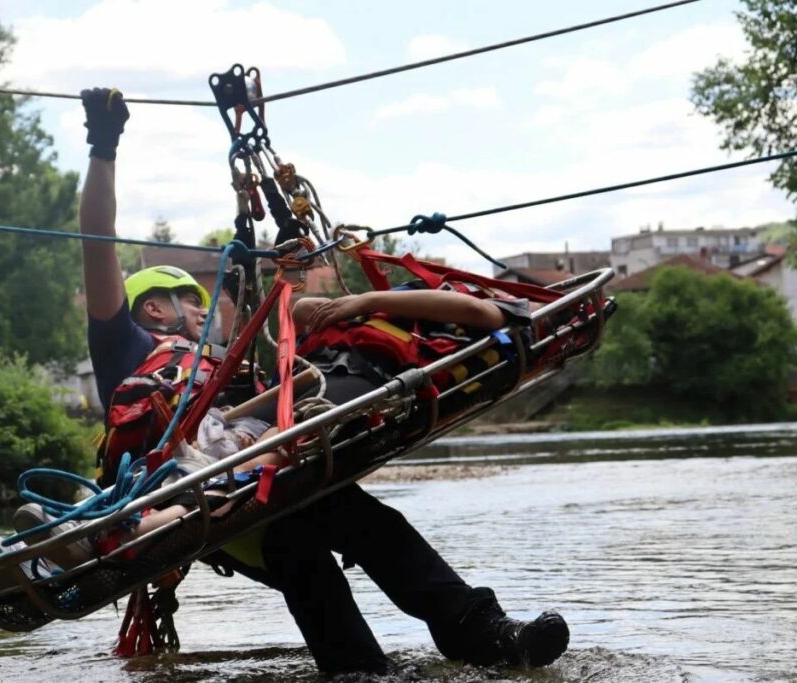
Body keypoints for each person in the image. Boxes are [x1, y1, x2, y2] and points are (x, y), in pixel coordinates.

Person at [69, 87, 570, 673]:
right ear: (153, 309)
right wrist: (103, 146)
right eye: (191, 300)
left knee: (366, 522)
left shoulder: (228, 368)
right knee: (303, 549)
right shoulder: (125, 349)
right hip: (203, 496)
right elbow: (97, 244)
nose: (208, 312)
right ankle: (384, 664)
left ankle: (477, 633)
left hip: (265, 473)